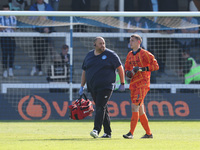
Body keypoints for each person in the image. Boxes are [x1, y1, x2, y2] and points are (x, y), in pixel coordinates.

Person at [79, 36, 125, 138]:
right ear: (94, 44)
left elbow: (120, 68)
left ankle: (96, 130)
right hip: (92, 87)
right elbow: (84, 71)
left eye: (103, 43)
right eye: (100, 43)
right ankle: (108, 132)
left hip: (106, 87)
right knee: (103, 108)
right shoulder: (89, 56)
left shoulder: (110, 55)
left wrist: (122, 83)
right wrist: (82, 86)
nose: (102, 45)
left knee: (100, 107)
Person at [123, 34, 159, 139]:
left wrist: (142, 69)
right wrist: (128, 73)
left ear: (139, 42)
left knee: (134, 106)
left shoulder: (145, 54)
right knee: (140, 109)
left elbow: (156, 66)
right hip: (133, 84)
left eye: (133, 40)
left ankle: (131, 133)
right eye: (130, 40)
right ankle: (149, 134)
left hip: (143, 84)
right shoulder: (129, 54)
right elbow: (127, 68)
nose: (130, 42)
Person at [29, 0, 54, 76]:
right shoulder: (33, 7)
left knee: (44, 52)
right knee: (38, 52)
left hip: (46, 34)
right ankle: (39, 68)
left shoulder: (48, 7)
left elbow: (52, 18)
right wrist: (40, 28)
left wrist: (49, 28)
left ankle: (37, 67)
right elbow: (31, 19)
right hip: (37, 33)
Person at [0, 4, 17, 78]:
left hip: (11, 37)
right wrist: (7, 26)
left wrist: (6, 26)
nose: (6, 11)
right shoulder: (0, 17)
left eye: (7, 9)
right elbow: (1, 28)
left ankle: (10, 69)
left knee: (12, 53)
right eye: (4, 10)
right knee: (4, 54)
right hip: (3, 37)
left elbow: (14, 28)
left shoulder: (13, 17)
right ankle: (5, 70)